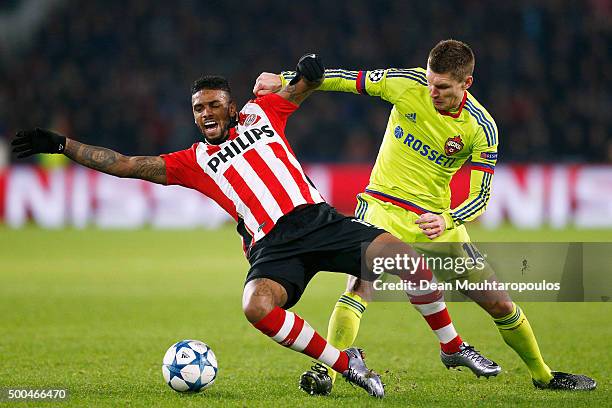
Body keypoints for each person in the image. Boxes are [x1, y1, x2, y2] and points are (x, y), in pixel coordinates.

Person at [14, 54, 459, 399]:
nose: (205, 113)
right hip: (273, 245)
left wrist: (309, 69)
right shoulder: (193, 161)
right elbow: (126, 164)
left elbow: (305, 85)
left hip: (317, 220)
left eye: (213, 105)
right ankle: (346, 362)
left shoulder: (261, 113)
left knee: (407, 258)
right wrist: (60, 144)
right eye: (197, 108)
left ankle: (452, 347)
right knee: (255, 305)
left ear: (230, 106)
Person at [253, 40, 597, 393]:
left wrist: (447, 220)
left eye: (442, 86)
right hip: (381, 205)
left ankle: (544, 376)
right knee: (360, 286)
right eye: (430, 81)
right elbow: (342, 78)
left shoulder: (481, 127)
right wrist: (285, 79)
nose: (432, 91)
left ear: (467, 83)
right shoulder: (407, 83)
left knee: (499, 302)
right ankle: (326, 367)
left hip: (434, 219)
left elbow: (480, 196)